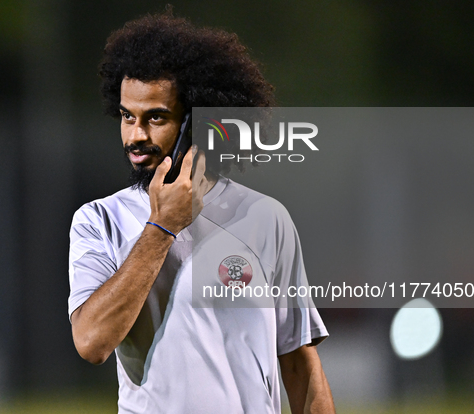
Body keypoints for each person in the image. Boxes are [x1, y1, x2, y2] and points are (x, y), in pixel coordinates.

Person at [68, 10, 335, 414]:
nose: (135, 136)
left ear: (199, 123)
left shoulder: (266, 218)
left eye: (155, 117)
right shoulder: (98, 221)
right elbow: (91, 343)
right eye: (127, 116)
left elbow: (299, 367)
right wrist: (161, 228)